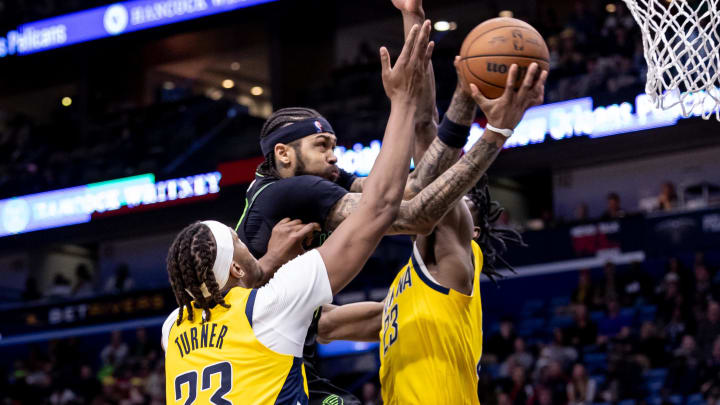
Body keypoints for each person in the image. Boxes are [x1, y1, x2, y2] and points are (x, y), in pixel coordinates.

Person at [162, 22, 434, 404]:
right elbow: (397, 209)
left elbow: (322, 322)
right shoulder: (289, 194)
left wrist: (413, 19)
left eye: (334, 145)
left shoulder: (175, 324)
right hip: (275, 368)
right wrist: (431, 114)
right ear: (284, 154)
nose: (334, 156)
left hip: (269, 358)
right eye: (321, 145)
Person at [319, 40, 547, 405]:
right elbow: (327, 324)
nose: (448, 197)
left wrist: (480, 109)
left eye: (462, 202)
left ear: (469, 230)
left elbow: (429, 143)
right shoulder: (403, 296)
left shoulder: (455, 254)